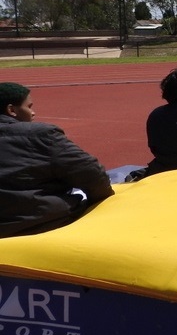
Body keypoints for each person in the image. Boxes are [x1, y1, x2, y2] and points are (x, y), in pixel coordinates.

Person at [0, 82, 113, 238]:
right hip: (41, 224)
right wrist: (100, 203)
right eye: (29, 106)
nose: (33, 113)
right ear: (11, 110)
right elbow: (92, 174)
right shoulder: (41, 134)